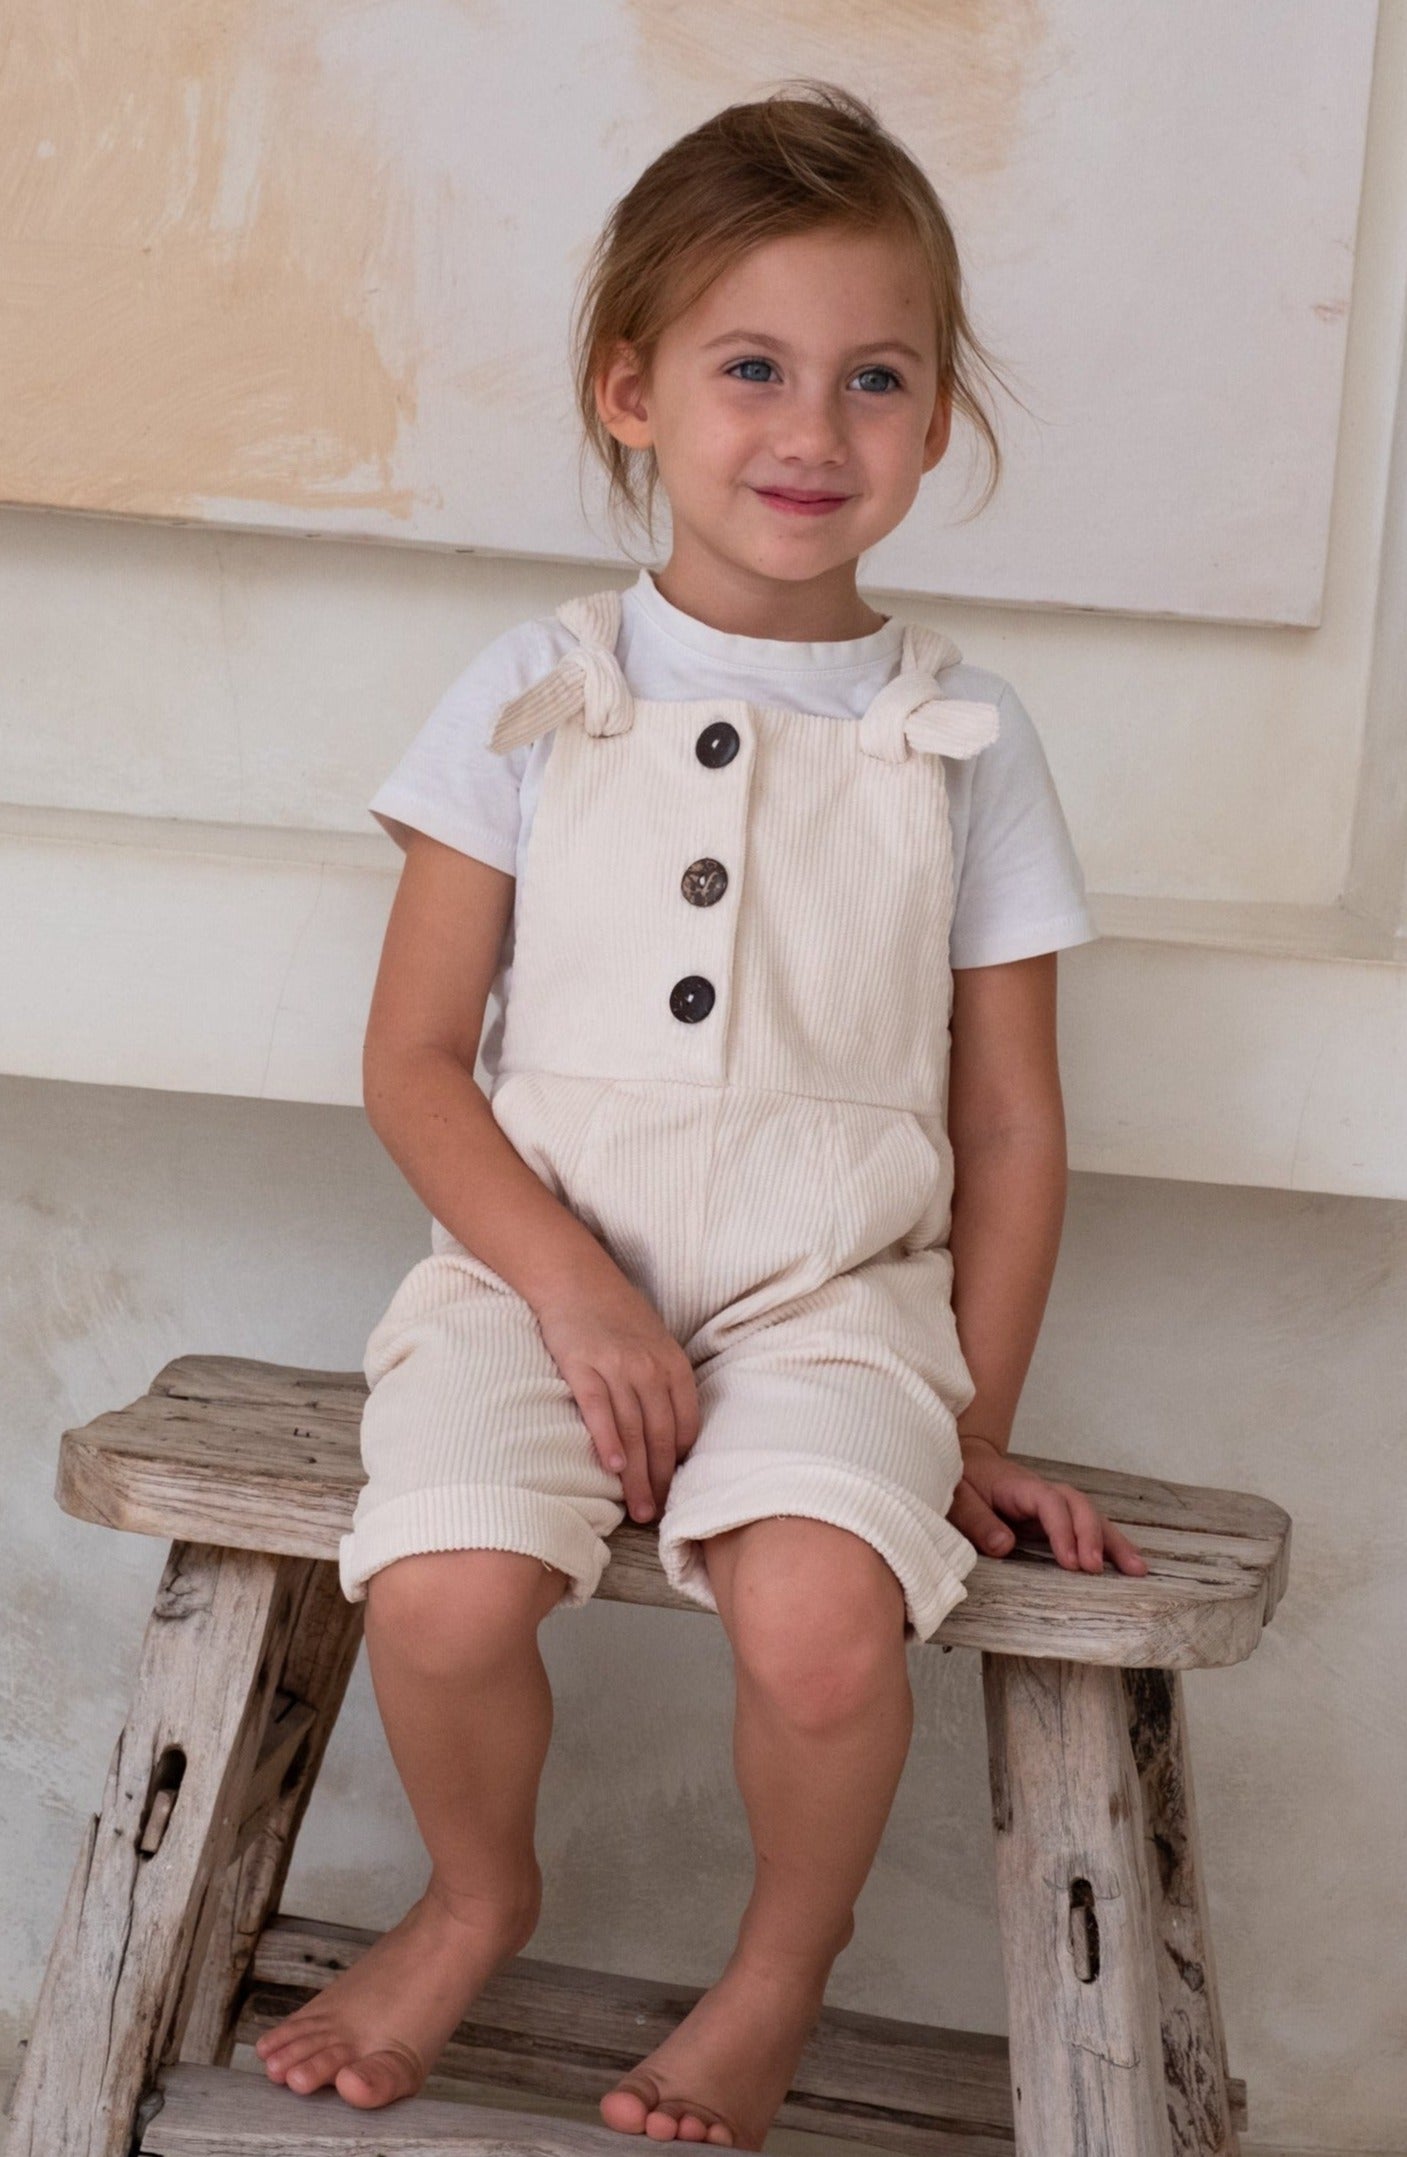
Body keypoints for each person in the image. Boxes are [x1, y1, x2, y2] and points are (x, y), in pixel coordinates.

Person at [255, 78, 1150, 2143]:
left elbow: (1011, 1122)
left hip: (832, 1293)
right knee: (443, 1590)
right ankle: (475, 1896)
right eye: (751, 366)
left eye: (873, 378)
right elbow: (412, 1057)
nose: (811, 427)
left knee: (824, 1625)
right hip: (530, 1273)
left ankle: (773, 1970)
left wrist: (971, 1414)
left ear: (935, 421)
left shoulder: (963, 733)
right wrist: (569, 1289)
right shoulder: (532, 688)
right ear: (630, 389)